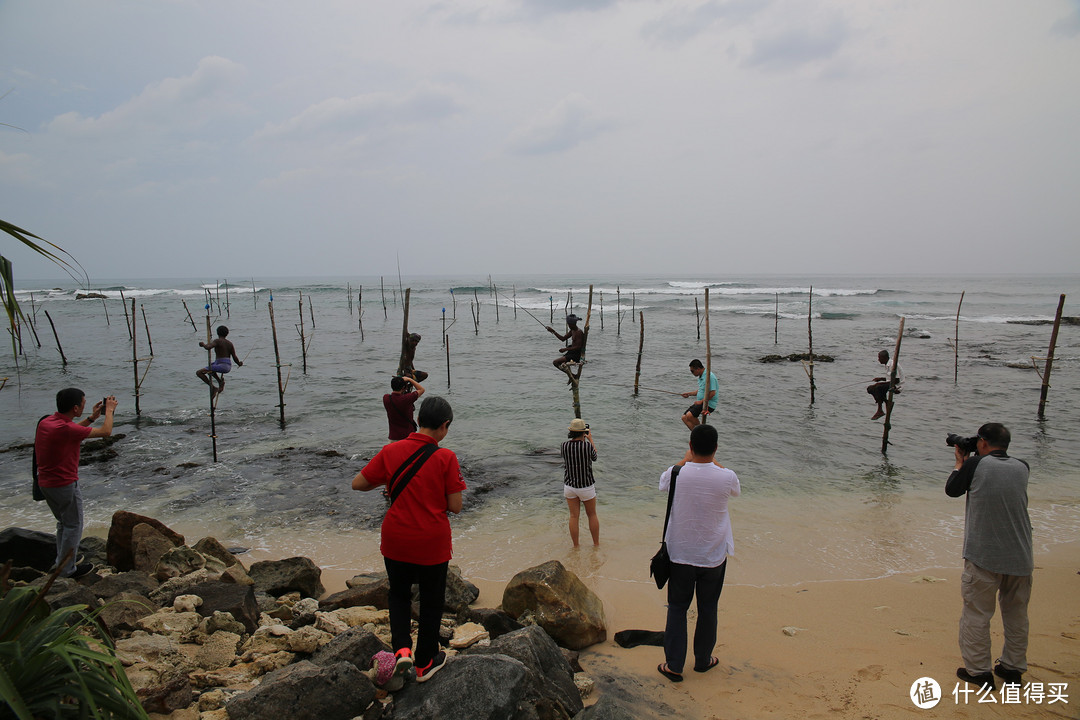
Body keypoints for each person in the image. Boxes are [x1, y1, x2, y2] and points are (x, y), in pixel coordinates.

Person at [352, 396, 465, 683]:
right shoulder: (445, 457)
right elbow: (455, 505)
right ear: (444, 426)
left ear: (417, 421)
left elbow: (359, 483)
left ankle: (401, 650)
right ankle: (425, 662)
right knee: (431, 600)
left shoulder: (391, 451)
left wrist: (390, 481)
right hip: (431, 540)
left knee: (399, 595)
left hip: (396, 538)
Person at [946, 423, 1032, 691]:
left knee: (977, 613)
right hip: (1021, 555)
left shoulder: (975, 466)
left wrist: (960, 462)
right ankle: (1012, 668)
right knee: (1017, 614)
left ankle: (978, 672)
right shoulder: (1023, 466)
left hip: (984, 555)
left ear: (982, 443)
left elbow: (952, 489)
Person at [656, 423, 740, 683]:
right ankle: (703, 660)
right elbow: (734, 489)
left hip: (681, 553)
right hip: (713, 555)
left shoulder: (676, 473)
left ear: (691, 447)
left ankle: (674, 665)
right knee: (708, 607)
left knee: (678, 608)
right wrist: (711, 460)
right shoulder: (727, 476)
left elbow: (662, 485)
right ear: (716, 448)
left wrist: (685, 458)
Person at [34, 388, 118, 578]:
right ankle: (67, 570)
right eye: (82, 403)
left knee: (63, 523)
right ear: (75, 408)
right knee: (73, 525)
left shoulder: (48, 422)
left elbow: (72, 432)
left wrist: (91, 418)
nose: (84, 405)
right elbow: (106, 432)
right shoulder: (66, 429)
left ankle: (62, 561)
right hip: (63, 484)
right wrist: (110, 411)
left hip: (46, 483)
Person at [561, 418, 599, 547]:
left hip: (570, 485)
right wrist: (590, 439)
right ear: (584, 432)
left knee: (573, 516)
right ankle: (596, 544)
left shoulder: (564, 446)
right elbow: (594, 457)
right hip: (586, 485)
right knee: (592, 514)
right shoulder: (587, 446)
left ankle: (576, 545)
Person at [197, 325, 242, 397]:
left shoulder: (217, 341)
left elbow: (208, 347)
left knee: (199, 373)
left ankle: (213, 387)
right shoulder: (230, 343)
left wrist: (203, 344)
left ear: (217, 333)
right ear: (227, 334)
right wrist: (239, 363)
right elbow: (235, 357)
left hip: (222, 366)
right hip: (226, 366)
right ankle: (220, 382)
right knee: (210, 369)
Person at [383, 375, 426, 441]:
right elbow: (422, 389)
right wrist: (410, 379)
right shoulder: (406, 399)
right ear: (404, 387)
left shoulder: (386, 398)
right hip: (407, 437)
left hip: (393, 437)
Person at [680, 359, 718, 430]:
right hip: (701, 402)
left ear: (698, 368)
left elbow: (712, 393)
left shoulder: (709, 376)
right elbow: (700, 391)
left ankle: (702, 432)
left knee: (690, 415)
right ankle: (697, 435)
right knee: (684, 417)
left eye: (692, 371)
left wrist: (701, 401)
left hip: (708, 404)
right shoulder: (701, 377)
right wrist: (688, 394)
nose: (692, 373)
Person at [866, 349, 903, 420]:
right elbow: (890, 378)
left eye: (879, 358)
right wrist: (880, 379)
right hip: (891, 383)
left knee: (877, 387)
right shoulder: (888, 365)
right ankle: (886, 402)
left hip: (897, 386)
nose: (878, 359)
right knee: (870, 388)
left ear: (885, 358)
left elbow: (896, 380)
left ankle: (880, 410)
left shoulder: (892, 365)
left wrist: (880, 383)